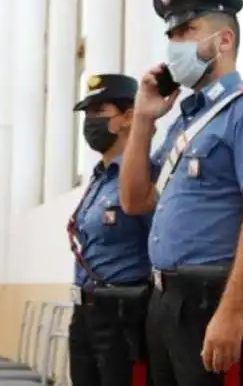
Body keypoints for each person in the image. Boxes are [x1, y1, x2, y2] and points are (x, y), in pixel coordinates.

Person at [119, 0, 243, 386]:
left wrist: (232, 311)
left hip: (212, 301)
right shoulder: (185, 122)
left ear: (224, 41)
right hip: (165, 300)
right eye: (172, 34)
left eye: (188, 31)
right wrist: (143, 119)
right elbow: (135, 200)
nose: (175, 44)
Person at [68, 73, 153, 386]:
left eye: (99, 113)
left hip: (123, 316)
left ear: (129, 117)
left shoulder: (142, 175)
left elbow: (156, 244)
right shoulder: (99, 177)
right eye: (87, 114)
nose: (90, 122)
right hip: (85, 312)